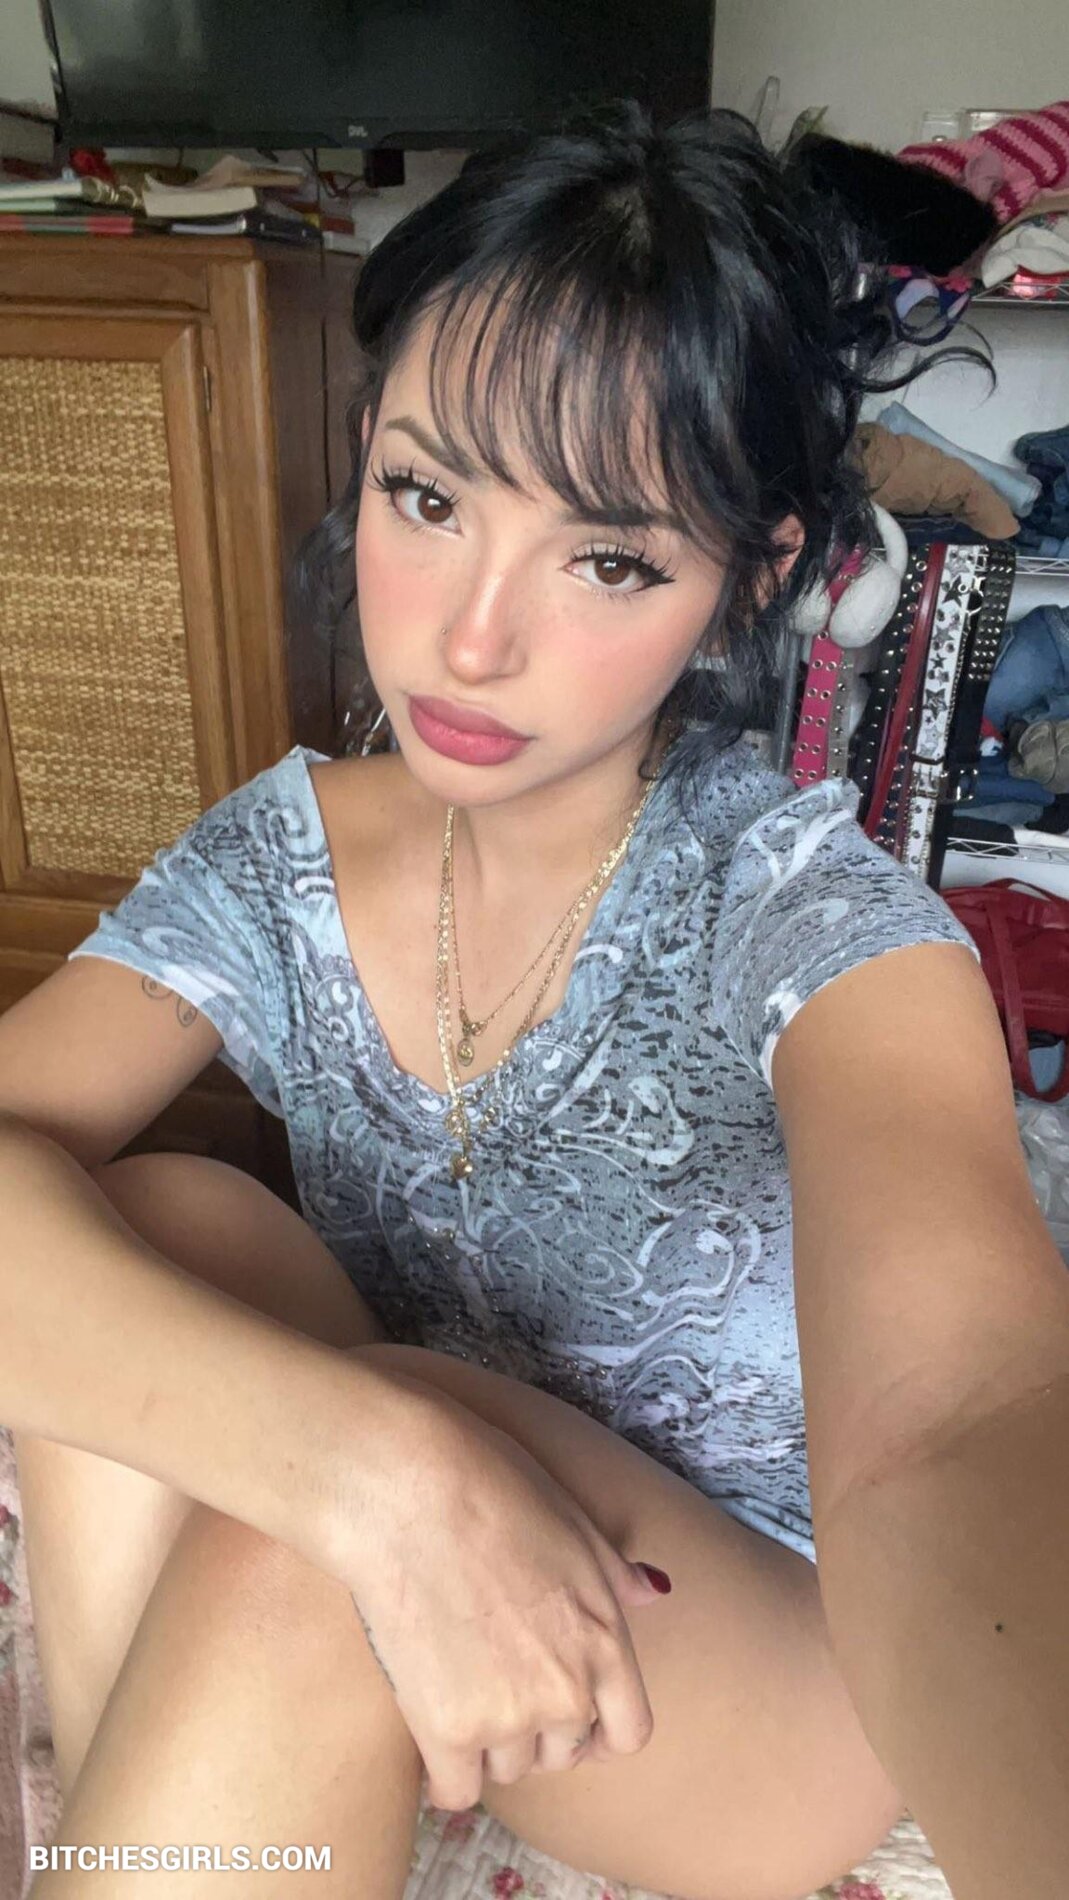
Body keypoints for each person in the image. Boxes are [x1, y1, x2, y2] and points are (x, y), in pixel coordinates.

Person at [3, 100, 1067, 1900]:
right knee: (159, 1218)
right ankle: (178, 1819)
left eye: (609, 559)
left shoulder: (811, 919)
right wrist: (374, 1475)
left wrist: (362, 1479)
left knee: (304, 1532)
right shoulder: (278, 852)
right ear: (366, 453)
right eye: (427, 498)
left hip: (744, 1649)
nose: (469, 636)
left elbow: (954, 1422)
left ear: (753, 573)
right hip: (438, 1488)